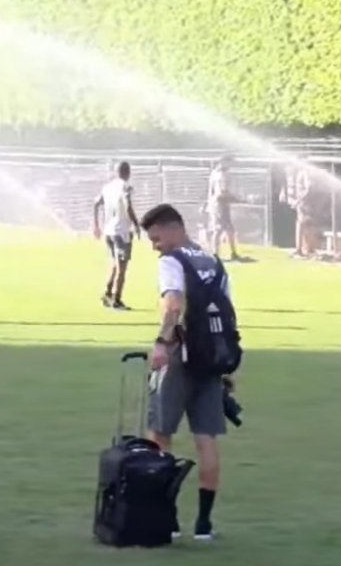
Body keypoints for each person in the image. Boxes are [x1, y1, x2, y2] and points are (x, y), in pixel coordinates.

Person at [140, 203, 231, 541]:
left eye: (156, 238)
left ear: (173, 228)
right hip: (211, 359)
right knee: (205, 439)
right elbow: (226, 313)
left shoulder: (172, 262)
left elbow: (174, 304)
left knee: (160, 436)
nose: (155, 247)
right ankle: (204, 525)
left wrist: (163, 343)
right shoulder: (214, 262)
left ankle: (168, 518)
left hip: (181, 356)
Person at [92, 161, 141, 310]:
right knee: (122, 267)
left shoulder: (107, 187)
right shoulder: (125, 187)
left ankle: (107, 293)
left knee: (114, 264)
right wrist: (136, 223)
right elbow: (127, 204)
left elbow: (96, 203)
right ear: (128, 172)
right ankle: (116, 299)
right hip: (121, 232)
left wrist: (96, 225)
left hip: (109, 231)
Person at [206, 156, 241, 261]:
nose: (231, 165)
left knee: (229, 229)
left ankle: (233, 253)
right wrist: (237, 199)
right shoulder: (221, 175)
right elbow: (222, 193)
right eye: (230, 162)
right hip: (220, 204)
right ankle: (215, 254)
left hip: (218, 204)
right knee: (218, 229)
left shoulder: (214, 173)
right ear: (223, 162)